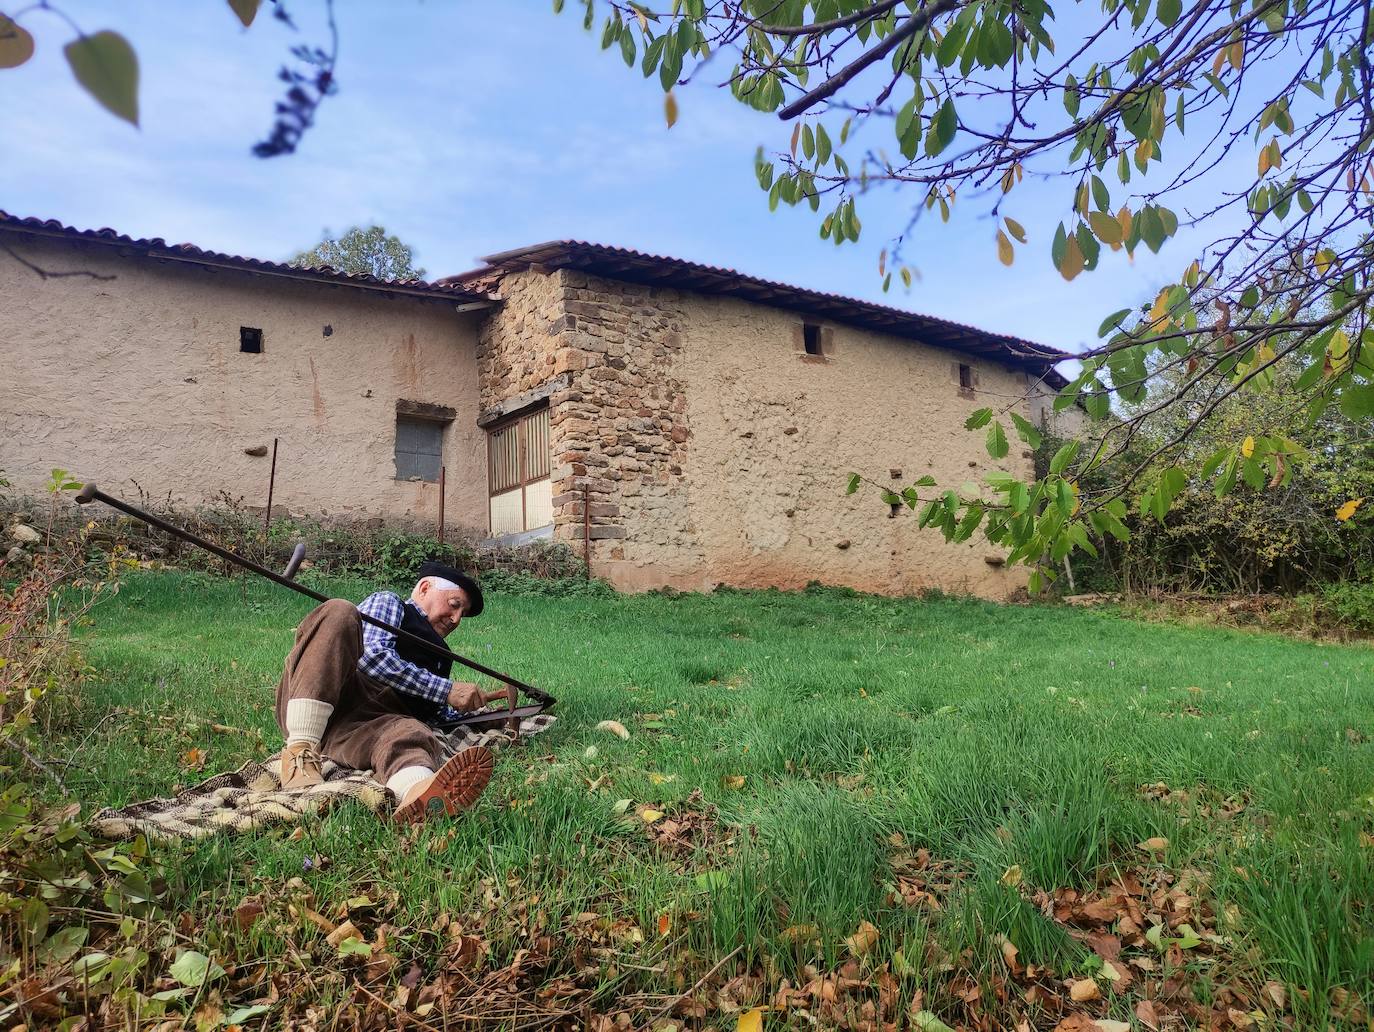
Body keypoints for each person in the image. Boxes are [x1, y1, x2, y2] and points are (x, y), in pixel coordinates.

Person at [273, 560, 497, 824]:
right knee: (340, 611)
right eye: (454, 604)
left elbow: (433, 715)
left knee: (411, 731)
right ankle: (300, 754)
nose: (456, 619)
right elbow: (372, 657)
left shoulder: (441, 655)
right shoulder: (391, 604)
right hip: (324, 691)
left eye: (462, 613)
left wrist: (482, 716)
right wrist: (446, 689)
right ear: (425, 588)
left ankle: (418, 795)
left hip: (362, 729)